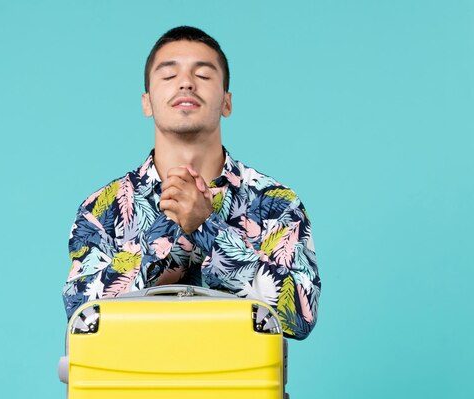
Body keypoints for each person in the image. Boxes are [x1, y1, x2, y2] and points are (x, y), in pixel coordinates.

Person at [63, 26, 321, 340]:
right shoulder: (101, 208)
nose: (186, 83)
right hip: (131, 386)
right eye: (169, 76)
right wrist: (167, 232)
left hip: (240, 387)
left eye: (203, 75)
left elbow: (301, 315)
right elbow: (82, 317)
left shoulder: (276, 203)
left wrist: (207, 228)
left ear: (227, 102)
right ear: (147, 103)